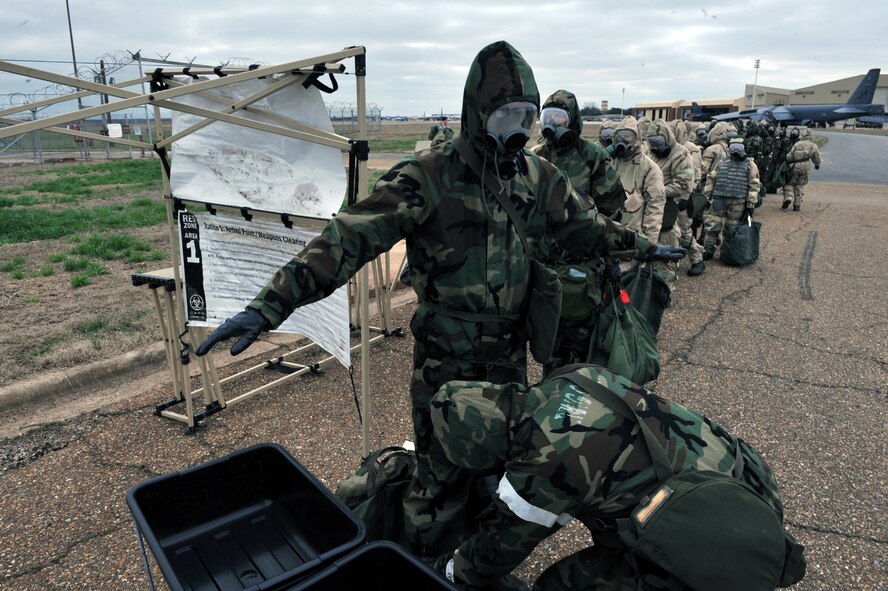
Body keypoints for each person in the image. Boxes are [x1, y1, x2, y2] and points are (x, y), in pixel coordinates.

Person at [194, 40, 687, 563]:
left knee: (499, 474)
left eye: (526, 115)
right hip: (444, 362)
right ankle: (427, 565)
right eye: (504, 116)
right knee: (439, 479)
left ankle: (471, 569)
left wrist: (644, 246)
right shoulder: (427, 177)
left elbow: (587, 230)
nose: (517, 129)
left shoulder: (538, 178)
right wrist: (269, 306)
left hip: (507, 359)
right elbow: (346, 241)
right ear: (477, 115)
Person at [427, 364, 799, 590]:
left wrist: (449, 570)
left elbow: (496, 550)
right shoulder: (575, 378)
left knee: (559, 586)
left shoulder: (541, 462)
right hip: (747, 484)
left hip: (715, 546)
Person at [529, 89, 627, 374]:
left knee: (582, 345)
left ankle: (581, 397)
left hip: (582, 269)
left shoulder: (592, 156)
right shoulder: (536, 157)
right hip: (545, 268)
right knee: (548, 343)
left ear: (573, 122)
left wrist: (609, 258)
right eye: (548, 118)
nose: (553, 125)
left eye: (560, 118)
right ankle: (552, 394)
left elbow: (612, 211)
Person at [610, 116, 667, 271]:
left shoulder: (649, 168)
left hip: (632, 242)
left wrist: (649, 246)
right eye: (619, 137)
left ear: (636, 138)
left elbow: (655, 209)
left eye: (628, 136)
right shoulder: (609, 162)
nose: (623, 140)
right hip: (608, 239)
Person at [647, 119, 697, 286]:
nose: (655, 146)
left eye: (658, 142)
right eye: (652, 142)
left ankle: (665, 289)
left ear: (667, 138)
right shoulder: (650, 154)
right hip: (650, 207)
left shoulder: (680, 154)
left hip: (668, 206)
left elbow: (683, 183)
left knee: (667, 244)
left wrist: (656, 192)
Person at [701, 137, 761, 260]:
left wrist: (750, 204)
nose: (736, 151)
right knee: (719, 227)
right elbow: (711, 179)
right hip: (729, 201)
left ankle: (716, 251)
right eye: (734, 148)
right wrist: (707, 196)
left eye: (738, 148)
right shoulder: (746, 164)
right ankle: (716, 252)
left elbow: (754, 186)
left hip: (730, 200)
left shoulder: (730, 163)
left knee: (726, 228)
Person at [672, 120, 706, 276]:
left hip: (682, 197)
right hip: (667, 196)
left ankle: (697, 259)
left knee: (685, 231)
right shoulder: (666, 149)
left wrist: (685, 196)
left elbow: (694, 176)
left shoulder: (691, 150)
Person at [781, 127, 821, 212]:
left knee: (789, 182)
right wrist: (817, 164)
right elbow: (816, 157)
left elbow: (789, 156)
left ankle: (788, 197)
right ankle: (797, 205)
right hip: (806, 166)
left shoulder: (797, 144)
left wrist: (787, 161)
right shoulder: (813, 145)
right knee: (800, 184)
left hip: (794, 165)